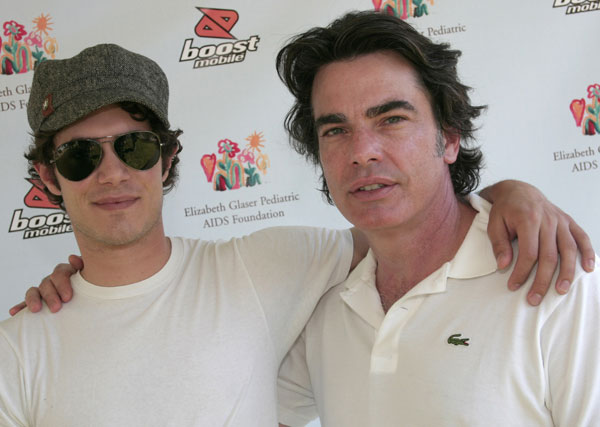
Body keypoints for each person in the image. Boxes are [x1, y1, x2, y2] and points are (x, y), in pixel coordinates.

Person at [0, 39, 592, 425]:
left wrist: (510, 193)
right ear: (48, 177)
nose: (111, 174)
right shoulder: (19, 347)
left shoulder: (266, 268)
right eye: (79, 156)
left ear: (168, 156)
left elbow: (417, 226)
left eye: (134, 146)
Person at [275, 11, 599, 426]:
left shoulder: (557, 278)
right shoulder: (325, 295)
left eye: (391, 119)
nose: (361, 151)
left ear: (449, 138)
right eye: (335, 130)